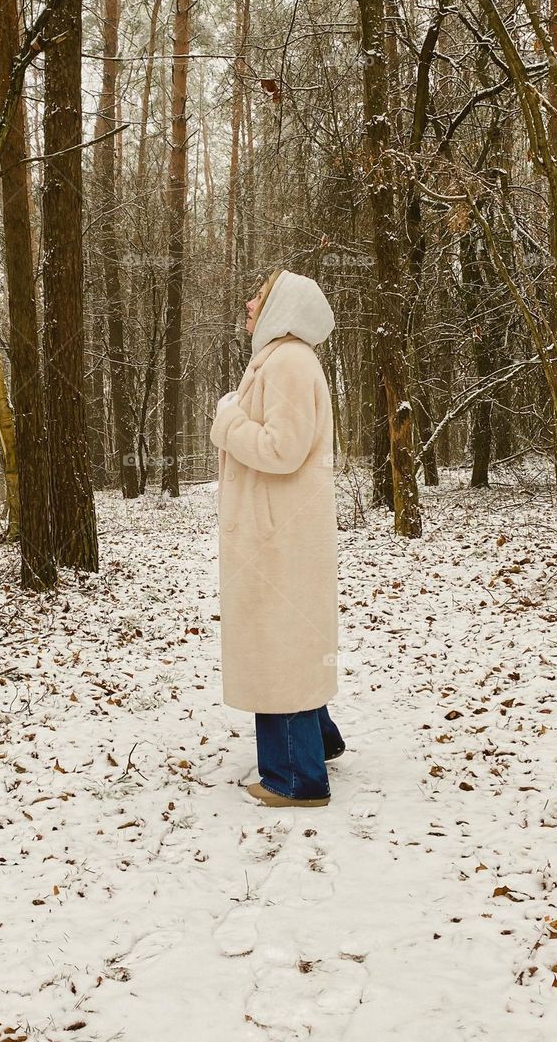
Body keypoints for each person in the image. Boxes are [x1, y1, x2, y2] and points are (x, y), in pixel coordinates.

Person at [209, 268, 344, 808]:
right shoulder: (284, 358)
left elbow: (283, 449)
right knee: (289, 642)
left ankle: (296, 777)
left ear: (280, 307)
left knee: (279, 644)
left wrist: (227, 421)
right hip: (282, 531)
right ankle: (318, 741)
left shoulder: (287, 361)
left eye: (258, 295)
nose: (248, 301)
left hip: (279, 535)